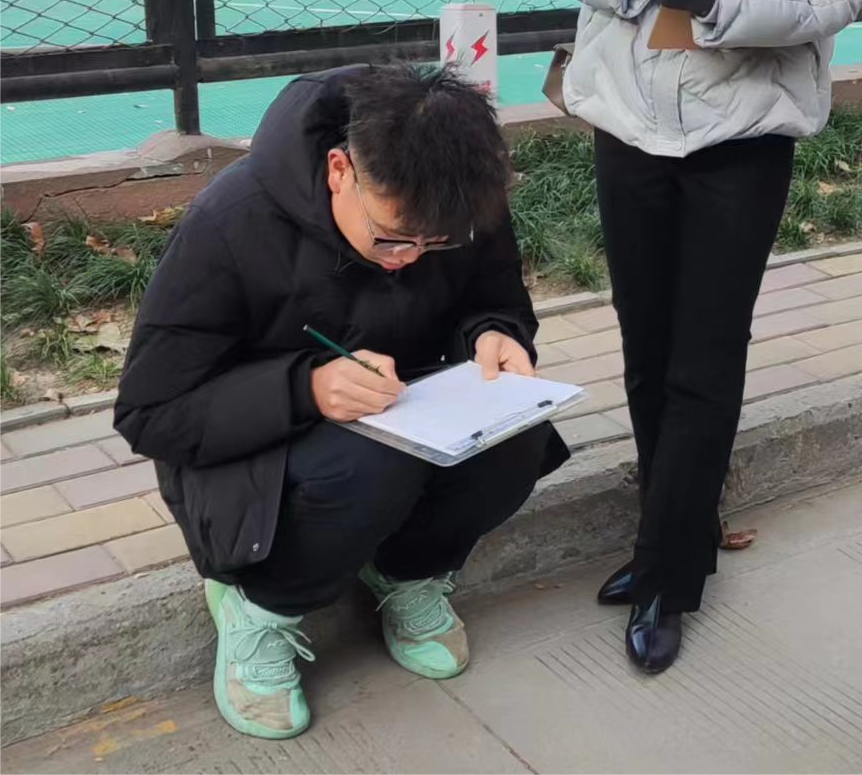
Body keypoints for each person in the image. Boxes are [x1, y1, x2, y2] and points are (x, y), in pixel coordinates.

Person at [523, 0, 862, 675]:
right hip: (627, 113)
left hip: (743, 126)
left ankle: (671, 570)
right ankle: (667, 529)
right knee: (646, 340)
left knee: (705, 355)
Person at [114, 64, 569, 742]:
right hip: (253, 451)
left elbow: (493, 299)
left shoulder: (460, 202)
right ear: (338, 171)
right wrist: (305, 387)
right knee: (370, 466)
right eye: (392, 236)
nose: (410, 257)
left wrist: (495, 334)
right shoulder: (231, 224)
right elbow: (150, 412)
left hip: (402, 408)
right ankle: (260, 608)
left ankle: (407, 572)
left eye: (436, 244)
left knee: (517, 430)